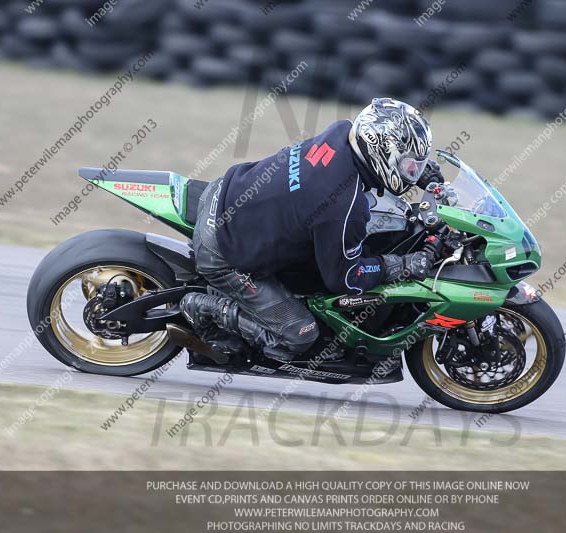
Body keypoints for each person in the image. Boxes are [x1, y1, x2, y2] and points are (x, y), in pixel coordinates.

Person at [180, 98, 444, 362]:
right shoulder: (342, 206)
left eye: (416, 166)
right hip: (223, 250)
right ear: (383, 154)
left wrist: (419, 174)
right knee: (301, 334)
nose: (413, 171)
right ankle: (202, 308)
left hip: (226, 190)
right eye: (409, 164)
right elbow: (346, 278)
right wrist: (399, 265)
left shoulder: (341, 133)